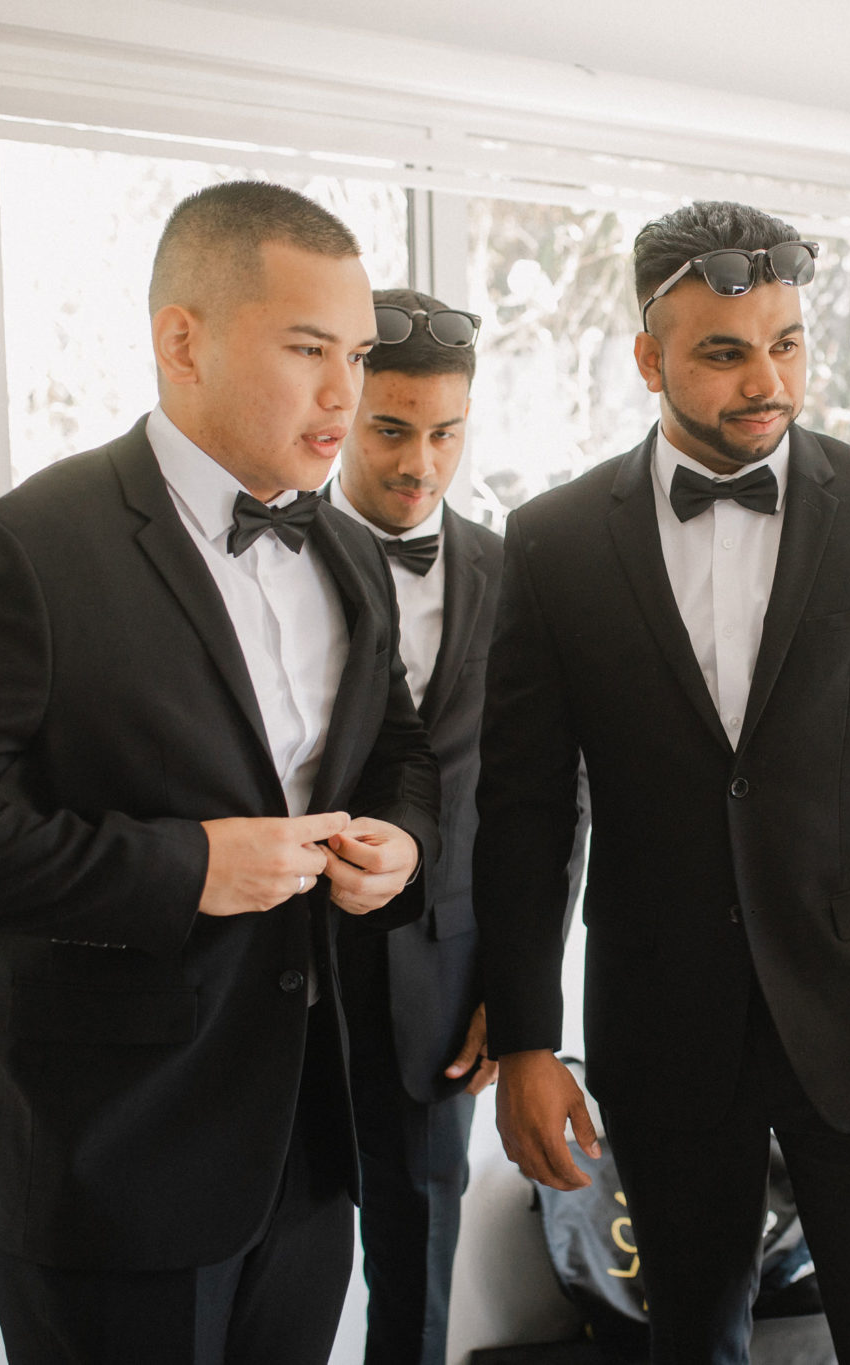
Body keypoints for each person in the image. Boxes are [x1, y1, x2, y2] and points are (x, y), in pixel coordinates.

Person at [0, 181, 441, 1365]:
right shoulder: (23, 552)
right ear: (181, 341)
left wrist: (402, 846)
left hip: (313, 1143)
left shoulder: (350, 550)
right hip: (112, 1160)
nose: (346, 395)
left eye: (354, 353)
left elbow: (395, 750)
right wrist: (181, 866)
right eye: (308, 349)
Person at [473, 199, 850, 1365]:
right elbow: (526, 807)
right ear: (648, 358)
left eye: (786, 344)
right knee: (690, 1338)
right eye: (724, 352)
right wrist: (527, 1038)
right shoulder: (553, 542)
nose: (764, 380)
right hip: (660, 1023)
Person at [327, 287, 585, 1365]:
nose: (419, 464)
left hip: (447, 983)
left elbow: (550, 796)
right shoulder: (264, 555)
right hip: (278, 975)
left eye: (445, 433)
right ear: (339, 410)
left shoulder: (522, 570)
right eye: (390, 429)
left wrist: (517, 998)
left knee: (415, 1282)